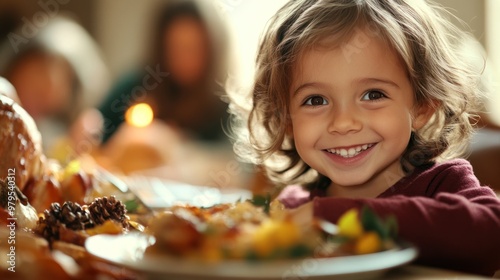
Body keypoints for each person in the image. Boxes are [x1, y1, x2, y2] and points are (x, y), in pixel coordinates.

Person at [229, 0, 500, 276]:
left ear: (422, 107)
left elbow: (492, 233)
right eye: (315, 100)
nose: (343, 123)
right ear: (285, 119)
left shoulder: (443, 184)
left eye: (373, 95)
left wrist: (334, 216)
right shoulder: (291, 208)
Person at [98, 0, 230, 144]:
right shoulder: (138, 86)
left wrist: (177, 144)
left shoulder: (223, 100)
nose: (186, 59)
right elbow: (99, 126)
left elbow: (234, 154)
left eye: (194, 49)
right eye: (176, 48)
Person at [0, 15, 109, 162]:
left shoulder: (54, 137)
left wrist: (73, 148)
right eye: (41, 70)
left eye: (64, 80)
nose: (49, 86)